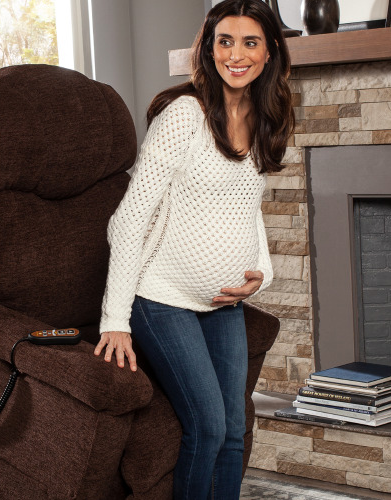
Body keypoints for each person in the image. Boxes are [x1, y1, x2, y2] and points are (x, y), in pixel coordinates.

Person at [93, 0, 294, 497]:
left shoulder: (268, 117)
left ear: (269, 53)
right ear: (208, 48)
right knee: (206, 426)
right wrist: (115, 318)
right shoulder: (184, 116)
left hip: (223, 301)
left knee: (232, 431)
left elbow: (250, 210)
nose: (236, 54)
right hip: (162, 300)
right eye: (224, 41)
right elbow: (128, 221)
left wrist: (259, 276)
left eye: (250, 42)